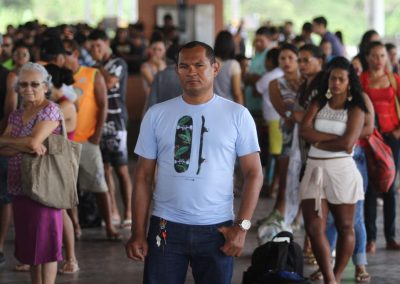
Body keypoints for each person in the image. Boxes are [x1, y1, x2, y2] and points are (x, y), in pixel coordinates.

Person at [125, 41, 263, 284]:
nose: (192, 72)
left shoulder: (237, 115)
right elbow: (143, 177)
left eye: (199, 65)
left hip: (218, 228)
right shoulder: (157, 114)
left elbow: (254, 173)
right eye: (184, 66)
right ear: (176, 70)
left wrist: (241, 228)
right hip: (165, 226)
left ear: (215, 68)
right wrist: (138, 232)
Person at [300, 57, 368, 283]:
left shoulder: (356, 107)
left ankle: (335, 276)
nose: (335, 83)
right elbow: (304, 131)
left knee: (345, 225)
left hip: (342, 170)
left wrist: (319, 141)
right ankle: (329, 276)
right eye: (332, 78)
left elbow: (348, 143)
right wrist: (332, 139)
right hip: (315, 167)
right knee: (313, 226)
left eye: (341, 79)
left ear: (349, 82)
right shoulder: (319, 102)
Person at [0, 62, 64, 284]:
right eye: (23, 84)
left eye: (34, 84)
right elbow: (5, 149)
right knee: (30, 248)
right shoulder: (17, 115)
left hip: (44, 187)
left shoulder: (50, 110)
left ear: (46, 86)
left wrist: (19, 142)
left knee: (46, 246)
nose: (28, 89)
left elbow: (33, 142)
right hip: (19, 186)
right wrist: (24, 144)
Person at [63, 39, 121, 240]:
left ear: (76, 55)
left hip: (88, 140)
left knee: (99, 185)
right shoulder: (59, 77)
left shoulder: (92, 74)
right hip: (66, 142)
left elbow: (103, 104)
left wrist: (96, 136)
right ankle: (75, 226)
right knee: (68, 188)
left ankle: (109, 228)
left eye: (67, 54)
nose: (63, 59)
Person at [88, 29, 133, 229]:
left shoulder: (118, 63)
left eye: (98, 45)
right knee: (104, 169)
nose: (95, 50)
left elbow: (109, 82)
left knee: (121, 170)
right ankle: (113, 209)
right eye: (92, 47)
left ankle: (129, 213)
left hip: (117, 121)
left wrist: (97, 66)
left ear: (107, 43)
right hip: (99, 122)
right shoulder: (93, 66)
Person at [360, 41, 400, 252]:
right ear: (367, 58)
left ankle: (391, 236)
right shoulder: (361, 81)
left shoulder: (394, 80)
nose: (378, 60)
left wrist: (397, 132)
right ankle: (371, 238)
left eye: (382, 56)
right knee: (370, 188)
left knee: (390, 187)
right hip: (369, 139)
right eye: (374, 56)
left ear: (387, 57)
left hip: (392, 138)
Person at [45, 63, 80, 273]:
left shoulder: (63, 106)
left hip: (62, 162)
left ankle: (71, 258)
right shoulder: (55, 103)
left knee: (61, 210)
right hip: (53, 161)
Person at [267, 43, 301, 224]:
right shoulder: (275, 84)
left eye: (291, 58)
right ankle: (280, 212)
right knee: (285, 171)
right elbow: (283, 112)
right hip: (288, 132)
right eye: (282, 58)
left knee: (306, 174)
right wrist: (297, 116)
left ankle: (299, 215)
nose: (287, 62)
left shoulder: (307, 81)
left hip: (307, 133)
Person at [254, 48, 283, 198]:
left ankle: (274, 187)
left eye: (266, 59)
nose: (265, 62)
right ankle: (272, 185)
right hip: (278, 118)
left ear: (271, 61)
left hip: (274, 119)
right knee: (276, 155)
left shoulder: (270, 76)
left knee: (277, 155)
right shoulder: (282, 74)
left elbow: (256, 90)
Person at [213, 30, 243, 104]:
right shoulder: (233, 65)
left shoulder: (210, 62)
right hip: (229, 106)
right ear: (231, 45)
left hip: (211, 104)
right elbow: (237, 93)